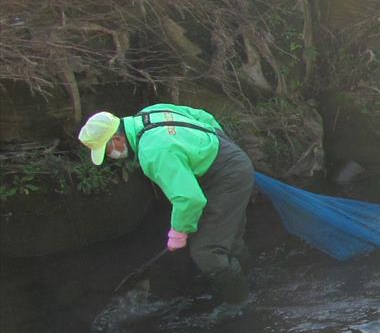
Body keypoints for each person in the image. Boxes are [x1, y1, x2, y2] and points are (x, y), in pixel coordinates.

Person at [78, 104, 254, 303]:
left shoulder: (152, 152)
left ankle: (240, 304)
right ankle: (250, 279)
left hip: (226, 178)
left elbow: (189, 199)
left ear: (117, 139)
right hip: (229, 157)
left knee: (206, 252)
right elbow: (204, 116)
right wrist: (219, 148)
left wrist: (178, 233)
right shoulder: (149, 113)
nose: (110, 156)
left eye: (107, 150)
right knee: (229, 238)